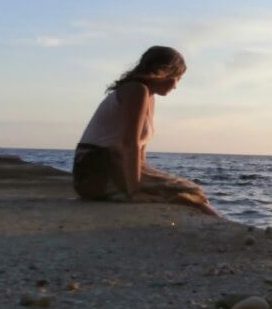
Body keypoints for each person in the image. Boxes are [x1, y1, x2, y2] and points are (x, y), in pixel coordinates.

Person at [73, 46, 217, 215]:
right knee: (190, 192)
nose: (176, 85)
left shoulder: (148, 96)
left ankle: (221, 224)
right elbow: (129, 142)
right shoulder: (136, 90)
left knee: (186, 194)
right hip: (97, 170)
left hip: (107, 168)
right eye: (178, 77)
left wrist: (144, 180)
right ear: (164, 72)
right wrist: (134, 191)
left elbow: (140, 150)